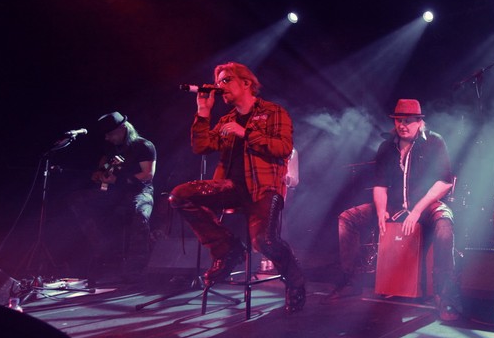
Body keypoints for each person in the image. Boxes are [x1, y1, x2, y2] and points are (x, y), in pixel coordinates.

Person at [168, 62, 306, 313]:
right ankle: (226, 247)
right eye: (218, 82)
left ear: (246, 83)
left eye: (225, 80)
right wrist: (203, 112)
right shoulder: (227, 120)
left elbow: (283, 148)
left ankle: (295, 281)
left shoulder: (273, 112)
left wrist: (246, 133)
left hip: (264, 189)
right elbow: (201, 147)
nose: (220, 86)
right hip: (231, 188)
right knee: (180, 195)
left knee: (264, 241)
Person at [330, 99, 459, 322]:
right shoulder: (387, 147)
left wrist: (417, 210)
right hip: (395, 206)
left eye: (408, 121)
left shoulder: (434, 142)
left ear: (419, 122)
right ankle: (352, 282)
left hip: (426, 204)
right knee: (347, 218)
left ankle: (443, 294)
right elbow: (380, 184)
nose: (402, 125)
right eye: (399, 120)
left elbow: (445, 181)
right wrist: (381, 211)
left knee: (445, 224)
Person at [69, 111, 156, 283]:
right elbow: (104, 166)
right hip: (113, 193)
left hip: (139, 191)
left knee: (139, 212)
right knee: (77, 200)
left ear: (123, 128)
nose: (107, 138)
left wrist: (118, 179)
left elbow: (147, 175)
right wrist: (99, 174)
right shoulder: (110, 147)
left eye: (110, 134)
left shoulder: (143, 146)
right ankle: (104, 251)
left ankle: (136, 269)